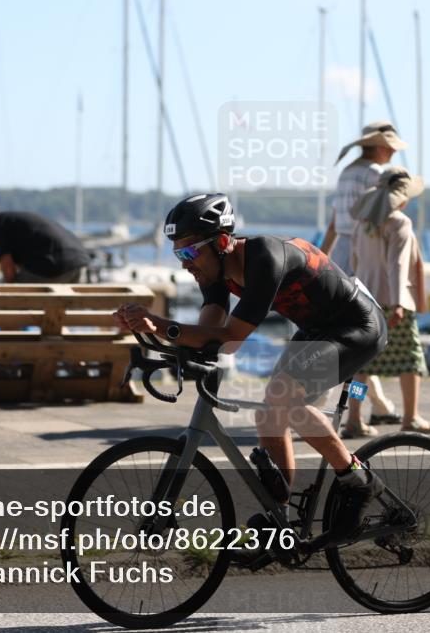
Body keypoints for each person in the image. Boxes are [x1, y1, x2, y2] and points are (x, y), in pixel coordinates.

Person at [112, 193, 387, 547]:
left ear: (221, 242)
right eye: (179, 254)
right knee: (267, 415)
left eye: (190, 253)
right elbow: (209, 333)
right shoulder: (211, 268)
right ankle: (279, 521)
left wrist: (162, 325)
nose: (185, 264)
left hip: (357, 326)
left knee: (283, 399)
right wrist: (154, 336)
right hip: (317, 330)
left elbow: (230, 339)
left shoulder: (264, 258)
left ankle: (357, 480)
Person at [322, 121, 410, 436]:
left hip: (341, 253)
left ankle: (379, 406)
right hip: (368, 253)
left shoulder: (347, 172)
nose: (392, 153)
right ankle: (353, 413)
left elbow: (335, 221)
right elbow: (380, 217)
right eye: (390, 147)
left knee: (356, 341)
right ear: (380, 146)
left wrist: (322, 256)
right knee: (365, 344)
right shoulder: (375, 173)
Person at [349, 167, 430, 433]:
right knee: (411, 361)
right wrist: (399, 302)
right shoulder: (399, 222)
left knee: (361, 365)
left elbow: (355, 261)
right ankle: (411, 417)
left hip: (363, 299)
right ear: (402, 198)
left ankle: (353, 418)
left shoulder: (362, 223)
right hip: (391, 300)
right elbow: (397, 265)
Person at [0, 212, 91, 283]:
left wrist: (7, 290)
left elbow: (8, 269)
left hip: (57, 266)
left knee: (6, 299)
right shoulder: (9, 222)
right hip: (79, 262)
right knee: (63, 310)